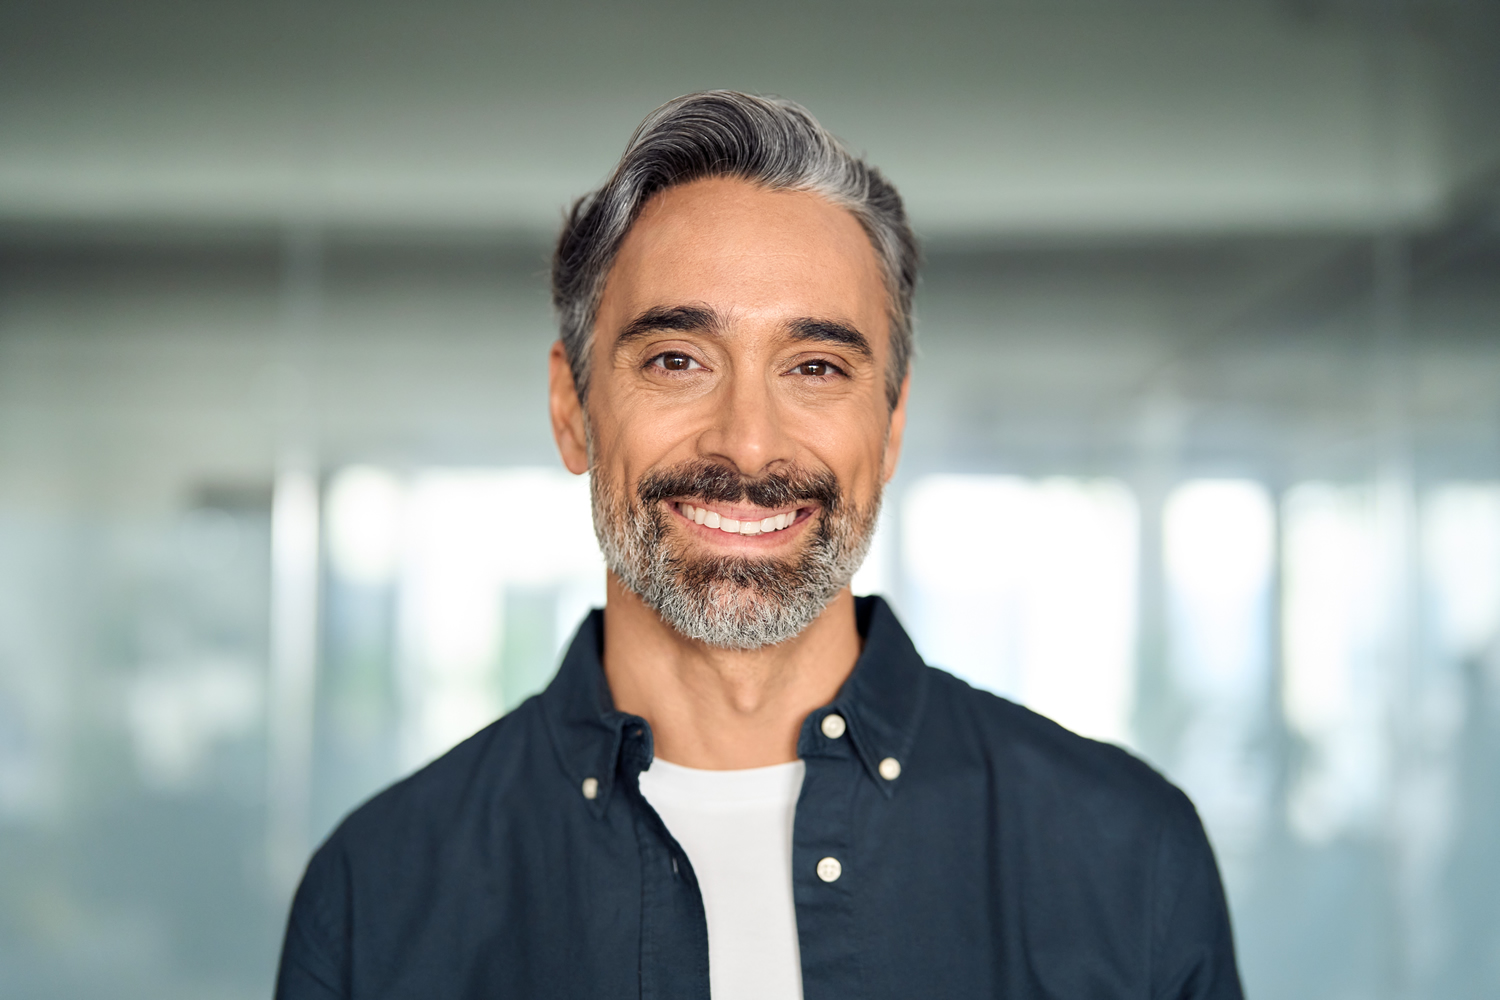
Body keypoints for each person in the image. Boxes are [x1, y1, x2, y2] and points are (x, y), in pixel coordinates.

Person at [275, 90, 1243, 1000]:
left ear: (893, 425)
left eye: (816, 366)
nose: (747, 441)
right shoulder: (379, 897)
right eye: (677, 360)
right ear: (573, 409)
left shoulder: (1128, 861)